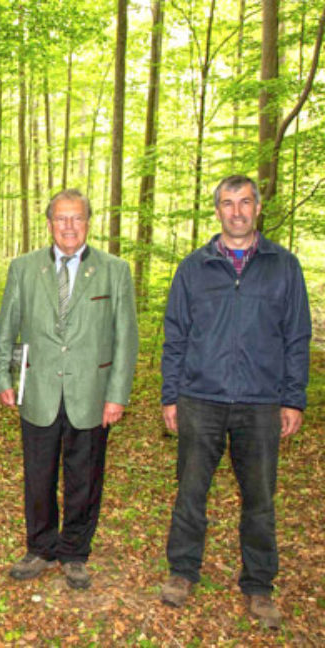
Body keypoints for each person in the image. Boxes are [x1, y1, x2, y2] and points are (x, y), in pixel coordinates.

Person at [159, 175, 311, 629]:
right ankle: (183, 572)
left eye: (245, 202)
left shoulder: (283, 266)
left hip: (261, 402)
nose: (237, 211)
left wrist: (293, 398)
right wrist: (171, 396)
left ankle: (260, 585)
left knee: (260, 498)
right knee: (190, 492)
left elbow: (297, 337)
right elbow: (175, 336)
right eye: (228, 203)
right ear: (218, 211)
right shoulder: (194, 268)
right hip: (200, 398)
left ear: (258, 208)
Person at [0, 188, 138, 589]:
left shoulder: (114, 270)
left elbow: (126, 338)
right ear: (49, 223)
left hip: (91, 393)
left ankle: (74, 550)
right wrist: (3, 377)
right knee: (38, 475)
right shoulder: (24, 268)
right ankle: (39, 547)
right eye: (61, 218)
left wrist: (117, 394)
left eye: (77, 218)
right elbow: (7, 326)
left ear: (88, 222)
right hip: (38, 388)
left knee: (84, 477)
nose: (69, 226)